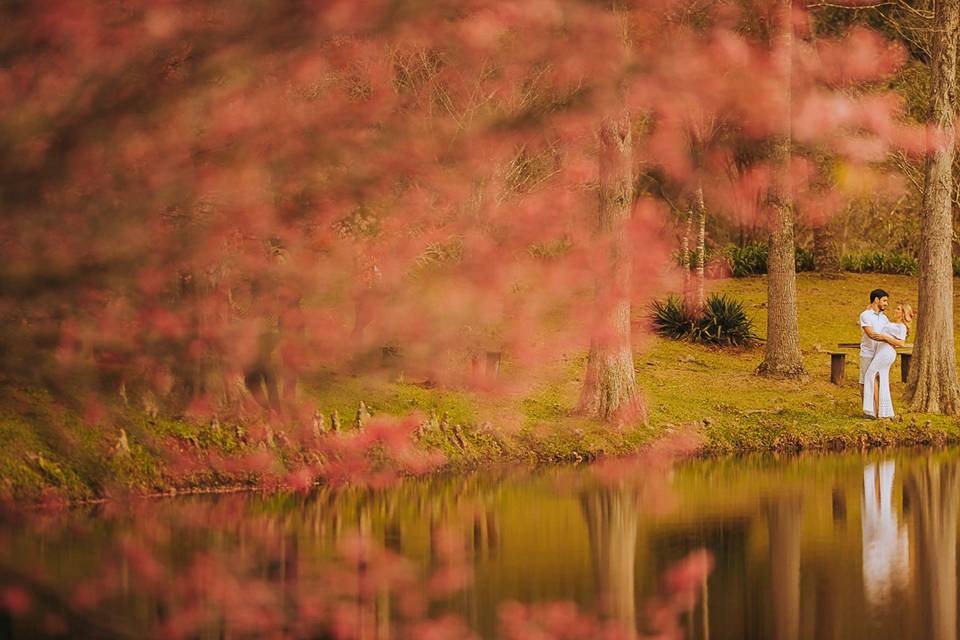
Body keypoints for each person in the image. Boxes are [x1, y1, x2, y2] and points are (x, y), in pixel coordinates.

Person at [863, 303, 913, 419]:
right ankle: (884, 412)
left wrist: (884, 338)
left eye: (899, 309)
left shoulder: (902, 327)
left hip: (887, 353)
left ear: (903, 314)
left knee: (870, 375)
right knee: (882, 379)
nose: (895, 310)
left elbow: (901, 343)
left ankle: (873, 410)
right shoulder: (891, 324)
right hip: (881, 352)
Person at [859, 289, 890, 390]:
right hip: (868, 353)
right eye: (884, 301)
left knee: (878, 381)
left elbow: (890, 333)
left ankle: (876, 405)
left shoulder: (885, 318)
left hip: (880, 355)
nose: (886, 304)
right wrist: (887, 338)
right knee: (865, 381)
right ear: (877, 300)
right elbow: (871, 334)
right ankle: (865, 405)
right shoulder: (865, 315)